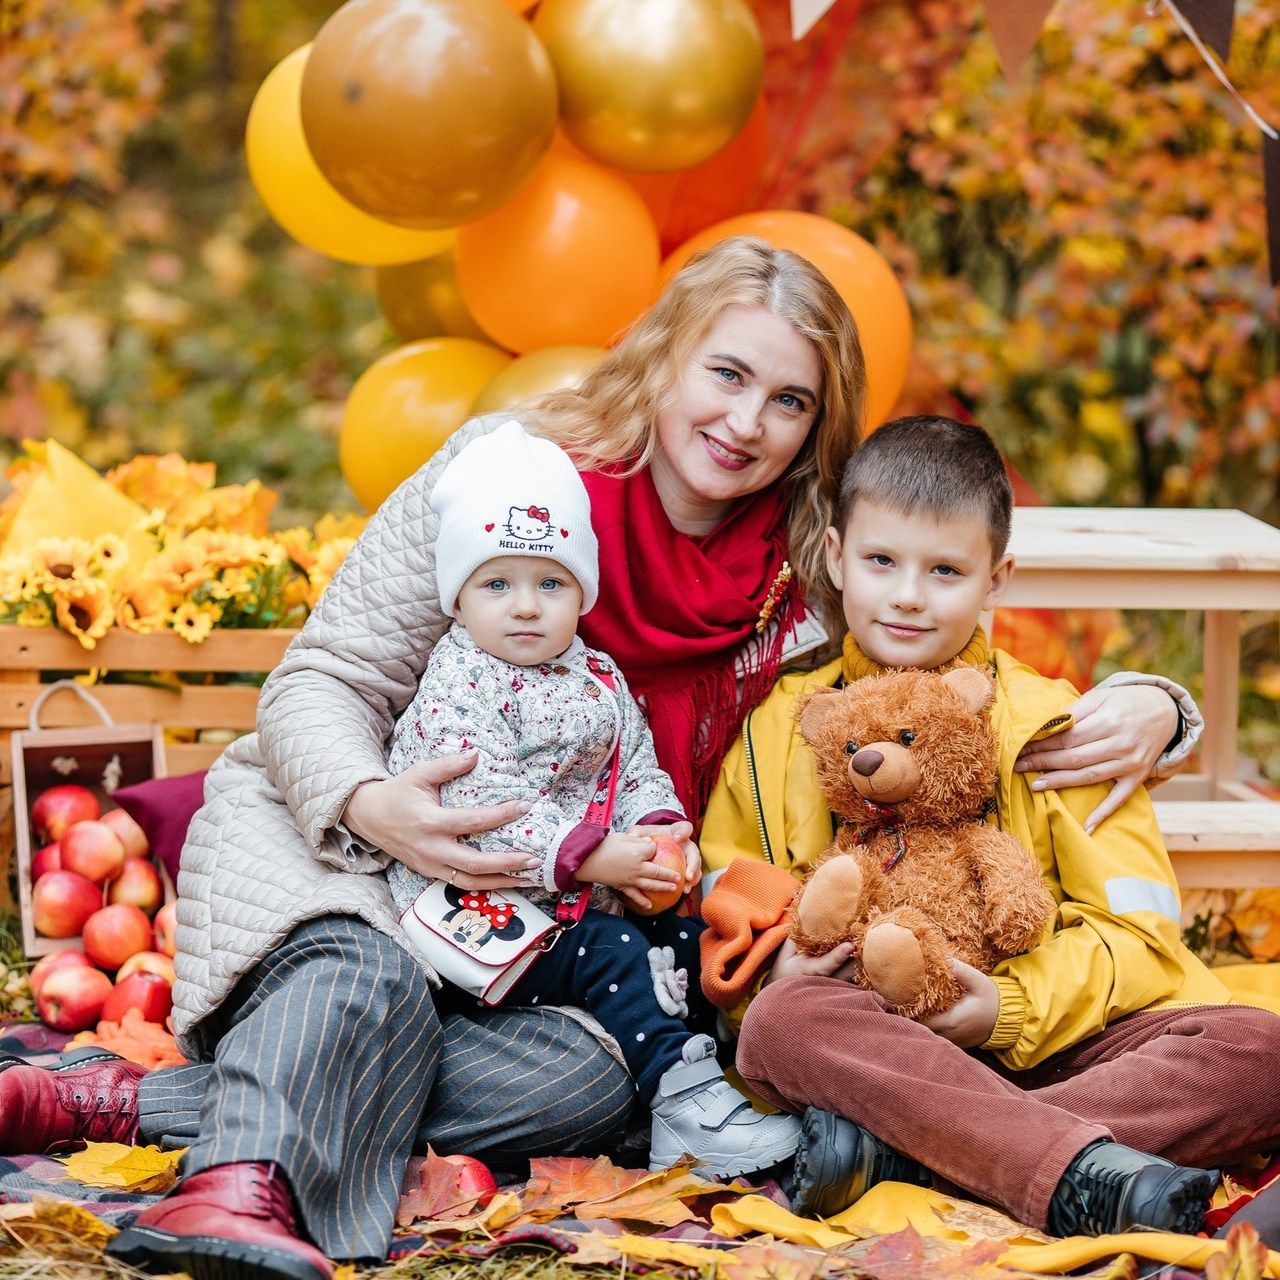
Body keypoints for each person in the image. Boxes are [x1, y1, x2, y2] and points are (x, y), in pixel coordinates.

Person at [0, 239, 1200, 1280]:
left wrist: (1153, 704)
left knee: (597, 1089)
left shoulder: (799, 581)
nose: (743, 422)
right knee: (363, 983)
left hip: (573, 930)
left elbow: (932, 638)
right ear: (665, 354)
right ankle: (239, 1191)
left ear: (812, 431)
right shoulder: (508, 477)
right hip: (372, 854)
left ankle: (132, 1103)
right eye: (725, 374)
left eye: (787, 402)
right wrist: (376, 804)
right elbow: (323, 678)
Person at [698, 415, 1280, 1238]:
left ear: (996, 578)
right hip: (871, 1035)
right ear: (834, 557)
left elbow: (1143, 936)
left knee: (1261, 1055)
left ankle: (913, 1151)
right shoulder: (780, 728)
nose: (907, 594)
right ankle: (1064, 1163)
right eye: (881, 562)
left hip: (1046, 1039)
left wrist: (1004, 1008)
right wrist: (779, 964)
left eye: (944, 569)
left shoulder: (1057, 725)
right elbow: (732, 899)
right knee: (780, 1023)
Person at [386, 420, 801, 1177]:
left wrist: (655, 832)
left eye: (551, 583)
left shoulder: (597, 675)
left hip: (573, 896)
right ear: (459, 596)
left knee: (681, 941)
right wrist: (591, 855)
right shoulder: (461, 682)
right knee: (613, 953)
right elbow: (479, 799)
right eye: (496, 583)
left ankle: (691, 1093)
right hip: (473, 909)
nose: (524, 606)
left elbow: (633, 760)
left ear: (582, 592)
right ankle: (683, 1105)